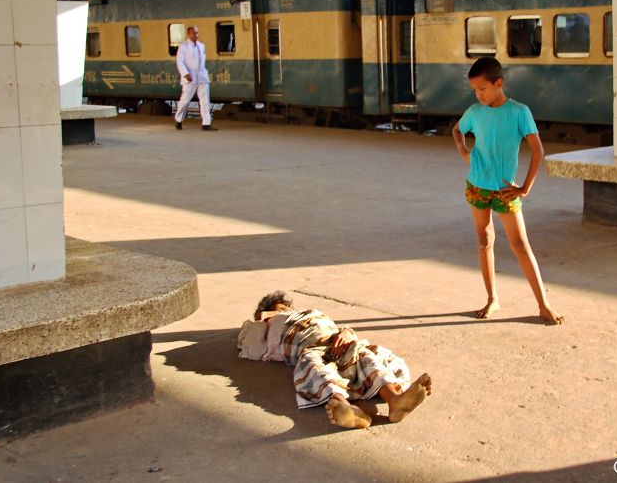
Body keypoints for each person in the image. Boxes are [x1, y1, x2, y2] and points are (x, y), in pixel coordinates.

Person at [452, 57, 564, 325]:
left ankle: (543, 304)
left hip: (505, 191)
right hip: (477, 186)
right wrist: (464, 151)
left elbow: (538, 151)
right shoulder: (475, 112)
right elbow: (458, 129)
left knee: (521, 245)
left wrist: (525, 187)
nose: (478, 95)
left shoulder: (519, 112)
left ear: (498, 83)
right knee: (484, 240)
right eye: (474, 90)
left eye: (482, 89)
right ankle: (492, 299)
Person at [237, 291, 432, 429]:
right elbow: (251, 347)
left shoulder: (310, 312)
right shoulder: (269, 324)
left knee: (364, 357)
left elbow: (332, 326)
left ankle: (394, 400)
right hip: (309, 347)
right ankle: (346, 409)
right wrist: (266, 317)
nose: (287, 308)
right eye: (281, 307)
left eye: (287, 306)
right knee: (314, 367)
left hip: (336, 338)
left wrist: (347, 332)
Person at [174, 26, 217, 131]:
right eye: (193, 33)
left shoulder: (201, 46)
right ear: (188, 34)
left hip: (202, 77)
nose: (196, 35)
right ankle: (178, 119)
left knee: (205, 100)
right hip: (190, 77)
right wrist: (185, 74)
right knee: (185, 100)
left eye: (197, 33)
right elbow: (179, 62)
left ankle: (206, 123)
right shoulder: (183, 46)